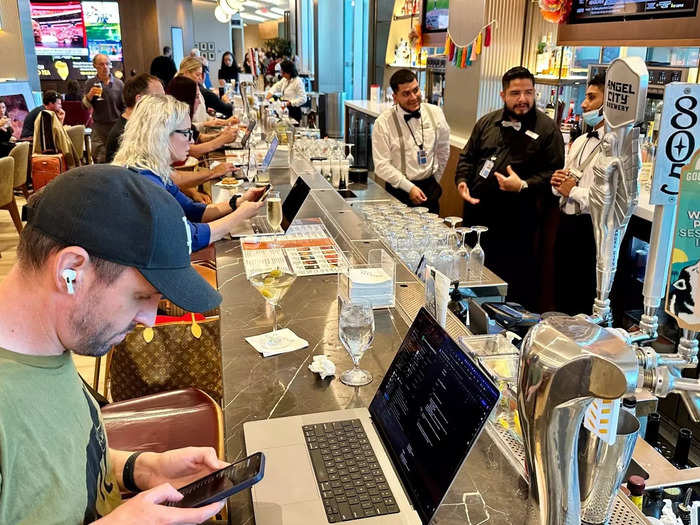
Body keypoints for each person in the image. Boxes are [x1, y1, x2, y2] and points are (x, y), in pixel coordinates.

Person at [0, 164, 229, 524]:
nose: (149, 319)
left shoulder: (47, 343)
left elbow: (60, 463)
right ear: (71, 271)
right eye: (141, 296)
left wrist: (142, 468)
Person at [455, 66, 564, 311]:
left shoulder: (548, 130)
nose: (523, 99)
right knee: (472, 274)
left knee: (511, 284)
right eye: (515, 93)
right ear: (503, 95)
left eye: (529, 92)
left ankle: (508, 333)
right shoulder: (486, 123)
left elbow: (554, 176)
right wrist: (461, 181)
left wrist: (523, 185)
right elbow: (467, 157)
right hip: (477, 214)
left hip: (517, 222)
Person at [112, 94, 264, 251]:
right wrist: (240, 215)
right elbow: (188, 238)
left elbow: (192, 211)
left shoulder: (152, 169)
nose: (191, 141)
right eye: (186, 133)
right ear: (162, 134)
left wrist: (237, 202)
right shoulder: (144, 180)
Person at [550, 73, 606, 315]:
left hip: (591, 230)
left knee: (582, 300)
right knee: (560, 291)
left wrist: (573, 190)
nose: (584, 104)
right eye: (585, 97)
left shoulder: (619, 149)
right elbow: (564, 180)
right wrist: (557, 183)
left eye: (592, 98)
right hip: (566, 224)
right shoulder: (581, 139)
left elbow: (607, 199)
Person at [371, 69, 450, 214]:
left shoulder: (436, 113)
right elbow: (381, 165)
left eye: (416, 90)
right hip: (399, 191)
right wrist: (409, 187)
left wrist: (435, 180)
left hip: (430, 189)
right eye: (406, 94)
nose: (413, 97)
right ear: (395, 97)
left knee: (432, 234)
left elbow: (443, 150)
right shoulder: (383, 123)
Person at [166, 76, 237, 158]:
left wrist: (221, 135)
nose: (199, 102)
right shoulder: (174, 121)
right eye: (196, 97)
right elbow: (192, 151)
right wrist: (221, 140)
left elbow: (199, 137)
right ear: (185, 99)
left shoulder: (184, 117)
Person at [105, 73, 165, 163]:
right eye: (159, 98)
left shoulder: (139, 126)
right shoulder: (124, 135)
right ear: (139, 100)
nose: (165, 103)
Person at [83, 54, 126, 163]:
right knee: (100, 159)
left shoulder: (119, 84)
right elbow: (84, 106)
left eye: (107, 64)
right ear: (95, 66)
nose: (105, 67)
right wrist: (89, 96)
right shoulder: (90, 83)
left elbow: (125, 107)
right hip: (99, 127)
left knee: (117, 159)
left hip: (116, 127)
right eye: (101, 65)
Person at [177, 57, 234, 129]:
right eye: (197, 75)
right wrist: (206, 124)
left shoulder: (197, 89)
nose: (200, 78)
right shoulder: (179, 94)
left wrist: (226, 122)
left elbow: (204, 116)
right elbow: (184, 128)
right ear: (186, 73)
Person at [265, 59, 307, 123]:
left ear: (289, 72)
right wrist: (270, 93)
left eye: (283, 72)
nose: (282, 75)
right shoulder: (285, 80)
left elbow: (303, 98)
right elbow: (276, 86)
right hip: (285, 110)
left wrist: (291, 103)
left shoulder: (298, 81)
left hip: (294, 111)